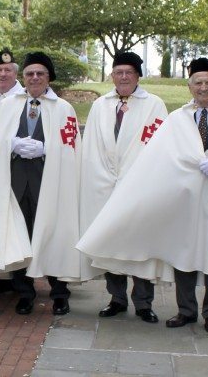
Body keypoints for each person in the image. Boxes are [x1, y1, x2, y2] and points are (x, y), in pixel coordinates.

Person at [77, 58, 208, 332]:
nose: (202, 88)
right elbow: (164, 153)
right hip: (185, 195)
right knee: (184, 252)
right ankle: (185, 310)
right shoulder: (179, 118)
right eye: (197, 83)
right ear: (189, 86)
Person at [0, 52, 100, 316]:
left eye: (40, 74)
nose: (34, 78)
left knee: (55, 234)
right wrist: (12, 144)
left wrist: (46, 148)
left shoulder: (63, 109)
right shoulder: (8, 106)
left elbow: (71, 148)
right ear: (24, 77)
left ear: (49, 78)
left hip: (50, 184)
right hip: (16, 183)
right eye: (30, 74)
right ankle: (25, 292)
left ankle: (59, 293)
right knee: (20, 236)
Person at [77, 52, 168, 324]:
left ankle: (143, 303)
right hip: (105, 184)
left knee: (139, 244)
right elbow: (91, 146)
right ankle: (116, 298)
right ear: (112, 75)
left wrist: (138, 178)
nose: (124, 77)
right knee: (111, 244)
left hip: (139, 187)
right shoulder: (100, 105)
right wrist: (99, 177)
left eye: (129, 72)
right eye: (119, 72)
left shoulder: (154, 105)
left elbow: (160, 147)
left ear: (138, 75)